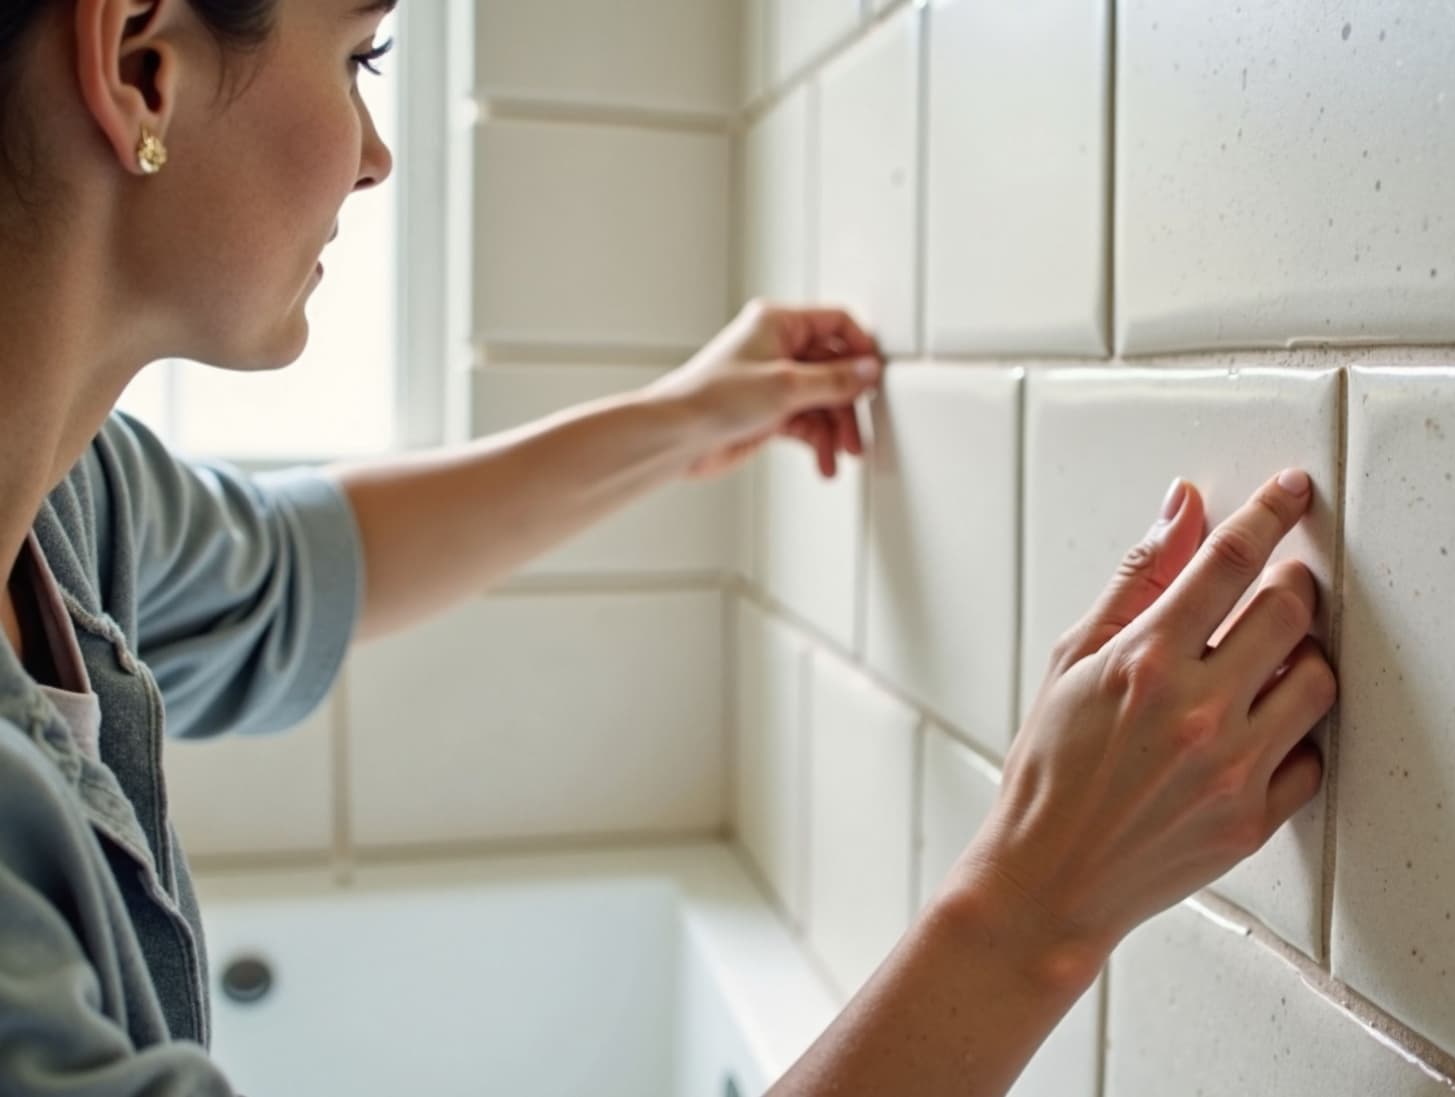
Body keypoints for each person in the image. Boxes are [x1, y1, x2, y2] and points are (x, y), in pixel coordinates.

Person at [0, 1, 1335, 1093]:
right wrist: (1036, 905)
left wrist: (687, 416)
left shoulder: (60, 504)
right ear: (140, 65)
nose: (372, 153)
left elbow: (301, 568)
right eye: (359, 55)